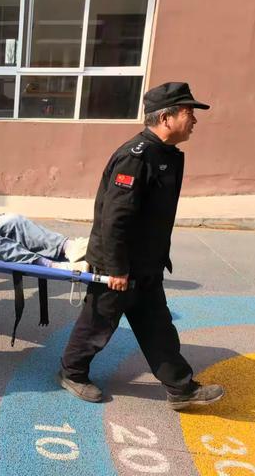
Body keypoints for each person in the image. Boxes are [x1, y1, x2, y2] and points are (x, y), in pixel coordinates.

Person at [58, 82, 224, 410]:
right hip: (118, 264)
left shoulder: (164, 154)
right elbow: (115, 218)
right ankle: (72, 372)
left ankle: (180, 388)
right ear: (165, 117)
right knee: (98, 324)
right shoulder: (136, 157)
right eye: (188, 112)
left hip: (146, 264)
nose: (194, 120)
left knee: (158, 326)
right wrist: (116, 268)